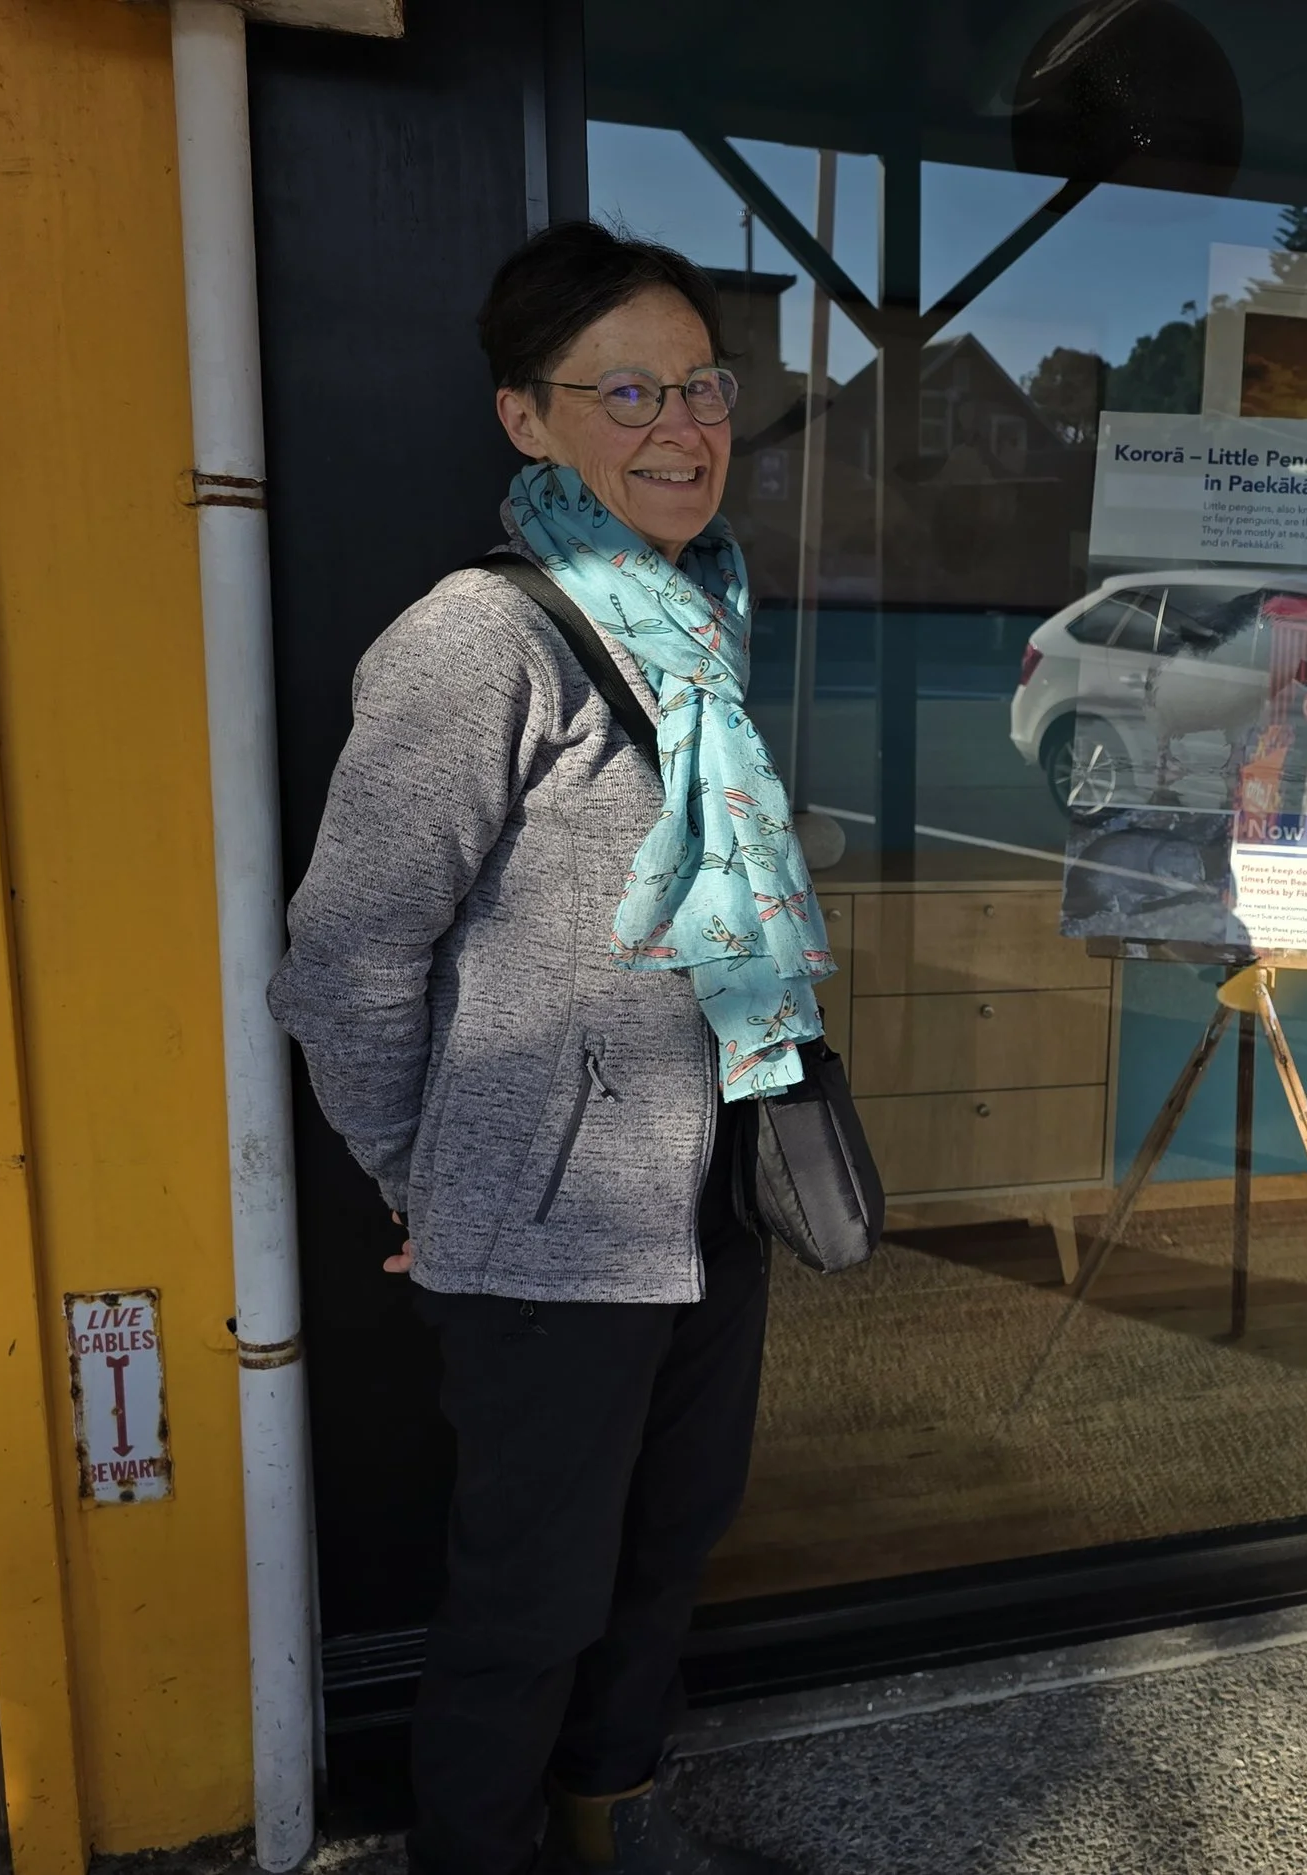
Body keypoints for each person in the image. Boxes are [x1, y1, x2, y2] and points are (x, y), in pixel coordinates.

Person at [269, 221, 830, 1874]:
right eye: (629, 391)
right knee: (529, 1598)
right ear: (526, 417)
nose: (683, 427)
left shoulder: (696, 618)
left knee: (667, 1560)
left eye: (704, 385)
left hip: (709, 1196)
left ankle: (613, 1823)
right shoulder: (480, 640)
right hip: (543, 1237)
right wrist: (430, 1176)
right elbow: (346, 962)